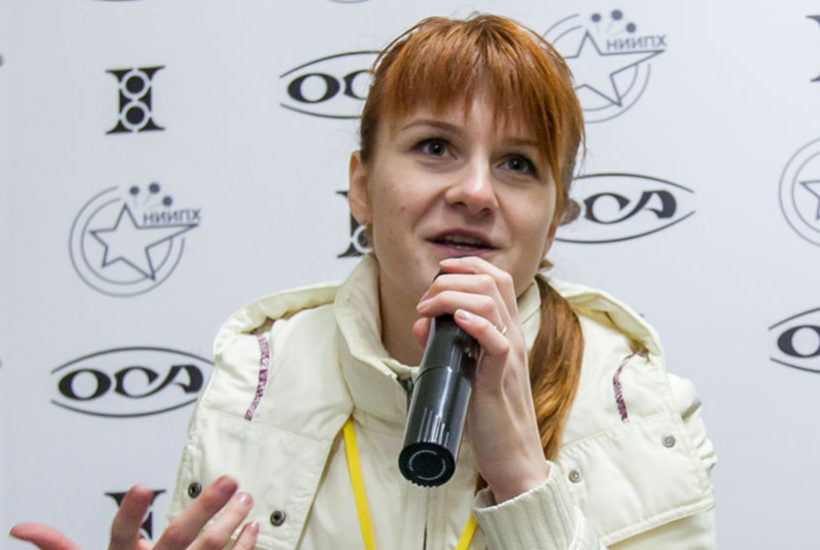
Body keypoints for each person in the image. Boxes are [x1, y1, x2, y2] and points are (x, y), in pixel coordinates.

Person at [10, 13, 716, 550]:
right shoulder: (254, 381)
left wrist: (524, 481)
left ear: (554, 218)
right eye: (435, 147)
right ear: (360, 187)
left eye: (517, 164)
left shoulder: (639, 407)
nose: (475, 192)